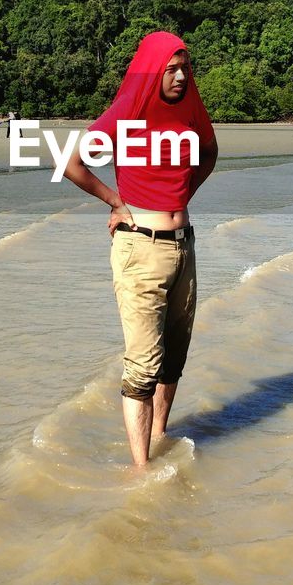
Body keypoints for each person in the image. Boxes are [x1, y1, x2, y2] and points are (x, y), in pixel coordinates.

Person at [63, 31, 218, 466]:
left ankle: (161, 439)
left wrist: (182, 197)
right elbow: (74, 164)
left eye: (185, 67)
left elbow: (209, 153)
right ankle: (140, 474)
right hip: (141, 250)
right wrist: (116, 201)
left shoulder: (190, 109)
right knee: (143, 368)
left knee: (174, 359)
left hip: (183, 247)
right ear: (152, 72)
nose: (181, 76)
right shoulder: (127, 112)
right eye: (171, 68)